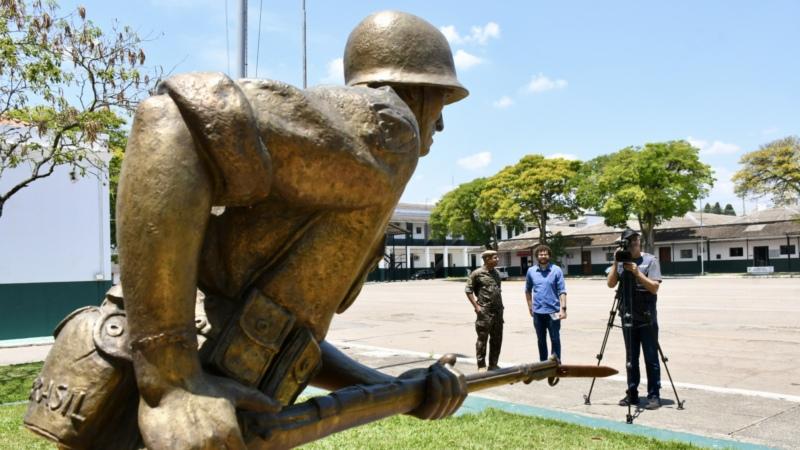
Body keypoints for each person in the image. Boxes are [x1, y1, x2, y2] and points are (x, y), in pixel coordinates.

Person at [115, 11, 469, 449]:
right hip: (163, 414)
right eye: (440, 98)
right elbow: (172, 119)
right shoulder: (389, 127)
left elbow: (279, 336)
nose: (440, 123)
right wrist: (170, 383)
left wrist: (400, 388)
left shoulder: (361, 164)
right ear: (415, 90)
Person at [606, 228, 663, 410]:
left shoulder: (650, 260)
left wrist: (638, 273)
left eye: (635, 242)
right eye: (628, 243)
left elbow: (654, 288)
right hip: (628, 315)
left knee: (651, 357)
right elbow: (611, 283)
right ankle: (632, 394)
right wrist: (616, 263)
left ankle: (654, 395)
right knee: (631, 358)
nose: (632, 246)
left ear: (639, 243)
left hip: (646, 316)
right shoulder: (621, 261)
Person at [524, 244, 567, 362]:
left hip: (553, 312)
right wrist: (530, 307)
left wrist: (563, 309)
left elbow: (562, 291)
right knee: (541, 340)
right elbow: (527, 290)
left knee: (555, 339)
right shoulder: (531, 271)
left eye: (545, 254)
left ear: (549, 255)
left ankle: (556, 363)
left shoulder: (556, 270)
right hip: (538, 312)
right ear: (537, 256)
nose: (543, 256)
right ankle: (543, 363)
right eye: (540, 254)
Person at [465, 250, 504, 371]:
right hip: (485, 311)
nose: (497, 259)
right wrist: (476, 307)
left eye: (497, 257)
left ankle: (493, 364)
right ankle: (481, 365)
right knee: (482, 338)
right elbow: (468, 290)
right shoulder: (477, 273)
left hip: (498, 311)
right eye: (495, 258)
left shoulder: (496, 273)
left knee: (497, 338)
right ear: (487, 259)